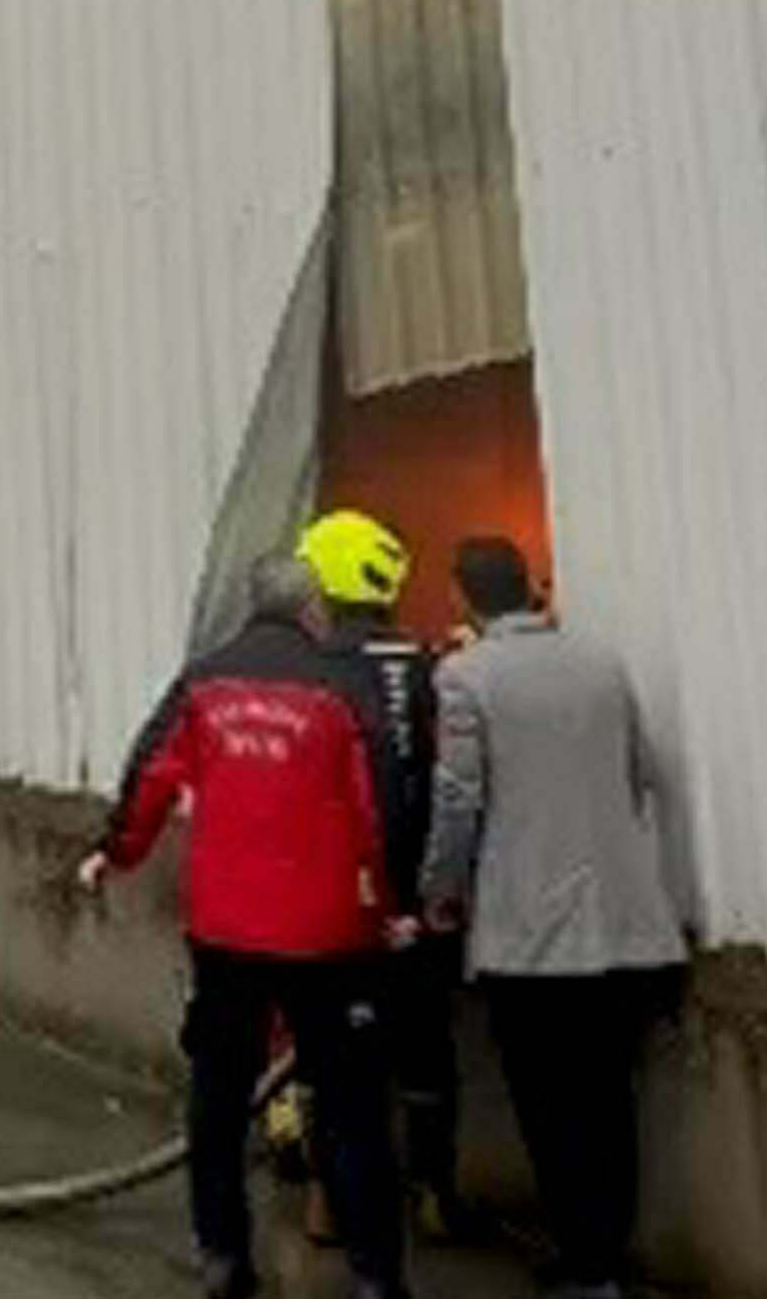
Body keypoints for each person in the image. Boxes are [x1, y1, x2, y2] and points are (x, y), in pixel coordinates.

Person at [82, 552, 412, 1299]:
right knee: (352, 1107)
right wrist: (394, 907)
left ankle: (224, 1258)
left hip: (226, 932)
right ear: (314, 610)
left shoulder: (203, 681)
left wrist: (114, 853)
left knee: (219, 1100)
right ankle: (375, 1278)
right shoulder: (344, 686)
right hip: (329, 937)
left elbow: (150, 778)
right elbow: (379, 806)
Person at [423, 535, 688, 1299]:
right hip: (627, 921)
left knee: (547, 1099)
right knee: (609, 1096)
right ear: (533, 588)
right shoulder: (602, 664)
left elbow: (458, 798)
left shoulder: (464, 677)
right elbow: (644, 772)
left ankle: (580, 1258)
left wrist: (440, 891)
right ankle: (609, 1248)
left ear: (463, 597)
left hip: (529, 931)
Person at [297, 508, 465, 1236]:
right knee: (426, 1049)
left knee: (329, 1053)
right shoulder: (429, 668)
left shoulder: (307, 676)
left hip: (333, 903)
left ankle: (331, 1199)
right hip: (423, 900)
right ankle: (433, 1193)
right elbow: (451, 777)